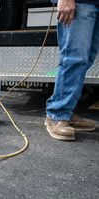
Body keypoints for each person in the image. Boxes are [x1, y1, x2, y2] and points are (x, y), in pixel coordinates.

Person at [45, 0, 98, 140]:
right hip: (82, 2)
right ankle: (56, 114)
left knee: (87, 57)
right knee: (74, 58)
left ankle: (67, 112)